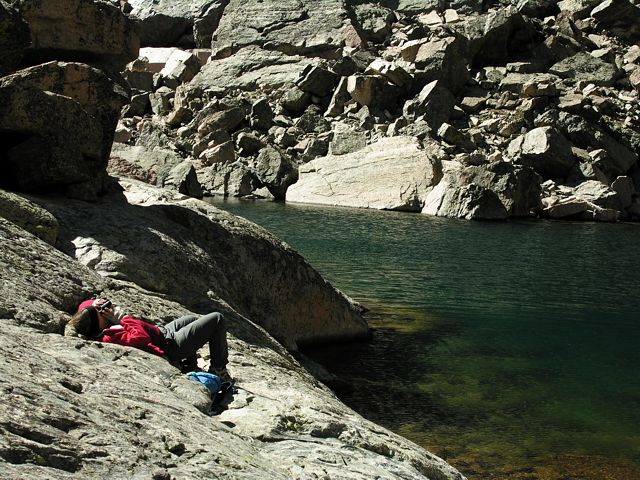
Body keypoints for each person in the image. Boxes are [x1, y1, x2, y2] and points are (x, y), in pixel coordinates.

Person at [65, 298, 232, 382]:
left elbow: (85, 308)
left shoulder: (100, 324)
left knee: (191, 319)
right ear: (97, 322)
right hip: (170, 345)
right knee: (217, 319)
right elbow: (141, 338)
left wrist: (95, 303)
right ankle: (218, 369)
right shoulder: (109, 337)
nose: (108, 310)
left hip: (162, 332)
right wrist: (123, 318)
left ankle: (190, 362)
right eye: (103, 311)